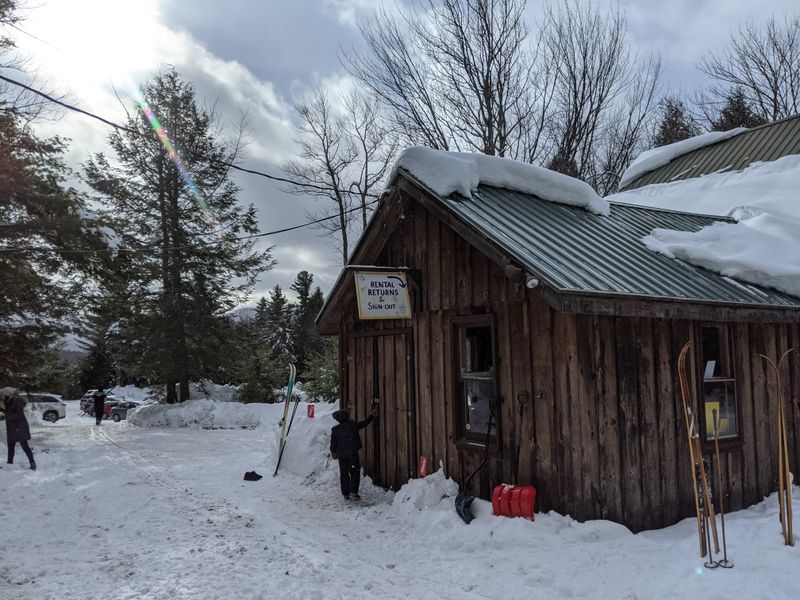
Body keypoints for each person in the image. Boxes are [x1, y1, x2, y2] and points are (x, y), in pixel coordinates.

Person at [330, 403, 379, 500]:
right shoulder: (352, 425)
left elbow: (333, 444)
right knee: (354, 472)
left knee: (344, 473)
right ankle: (353, 492)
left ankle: (345, 493)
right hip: (352, 453)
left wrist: (333, 452)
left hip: (341, 455)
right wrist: (372, 414)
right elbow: (365, 423)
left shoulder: (335, 430)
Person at [3, 389, 36, 470]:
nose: (2, 397)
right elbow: (5, 414)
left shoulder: (16, 401)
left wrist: (6, 415)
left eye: (3, 395)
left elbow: (19, 416)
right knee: (10, 447)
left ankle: (32, 463)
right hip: (11, 428)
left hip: (19, 427)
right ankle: (9, 464)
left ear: (8, 395)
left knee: (24, 445)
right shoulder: (7, 402)